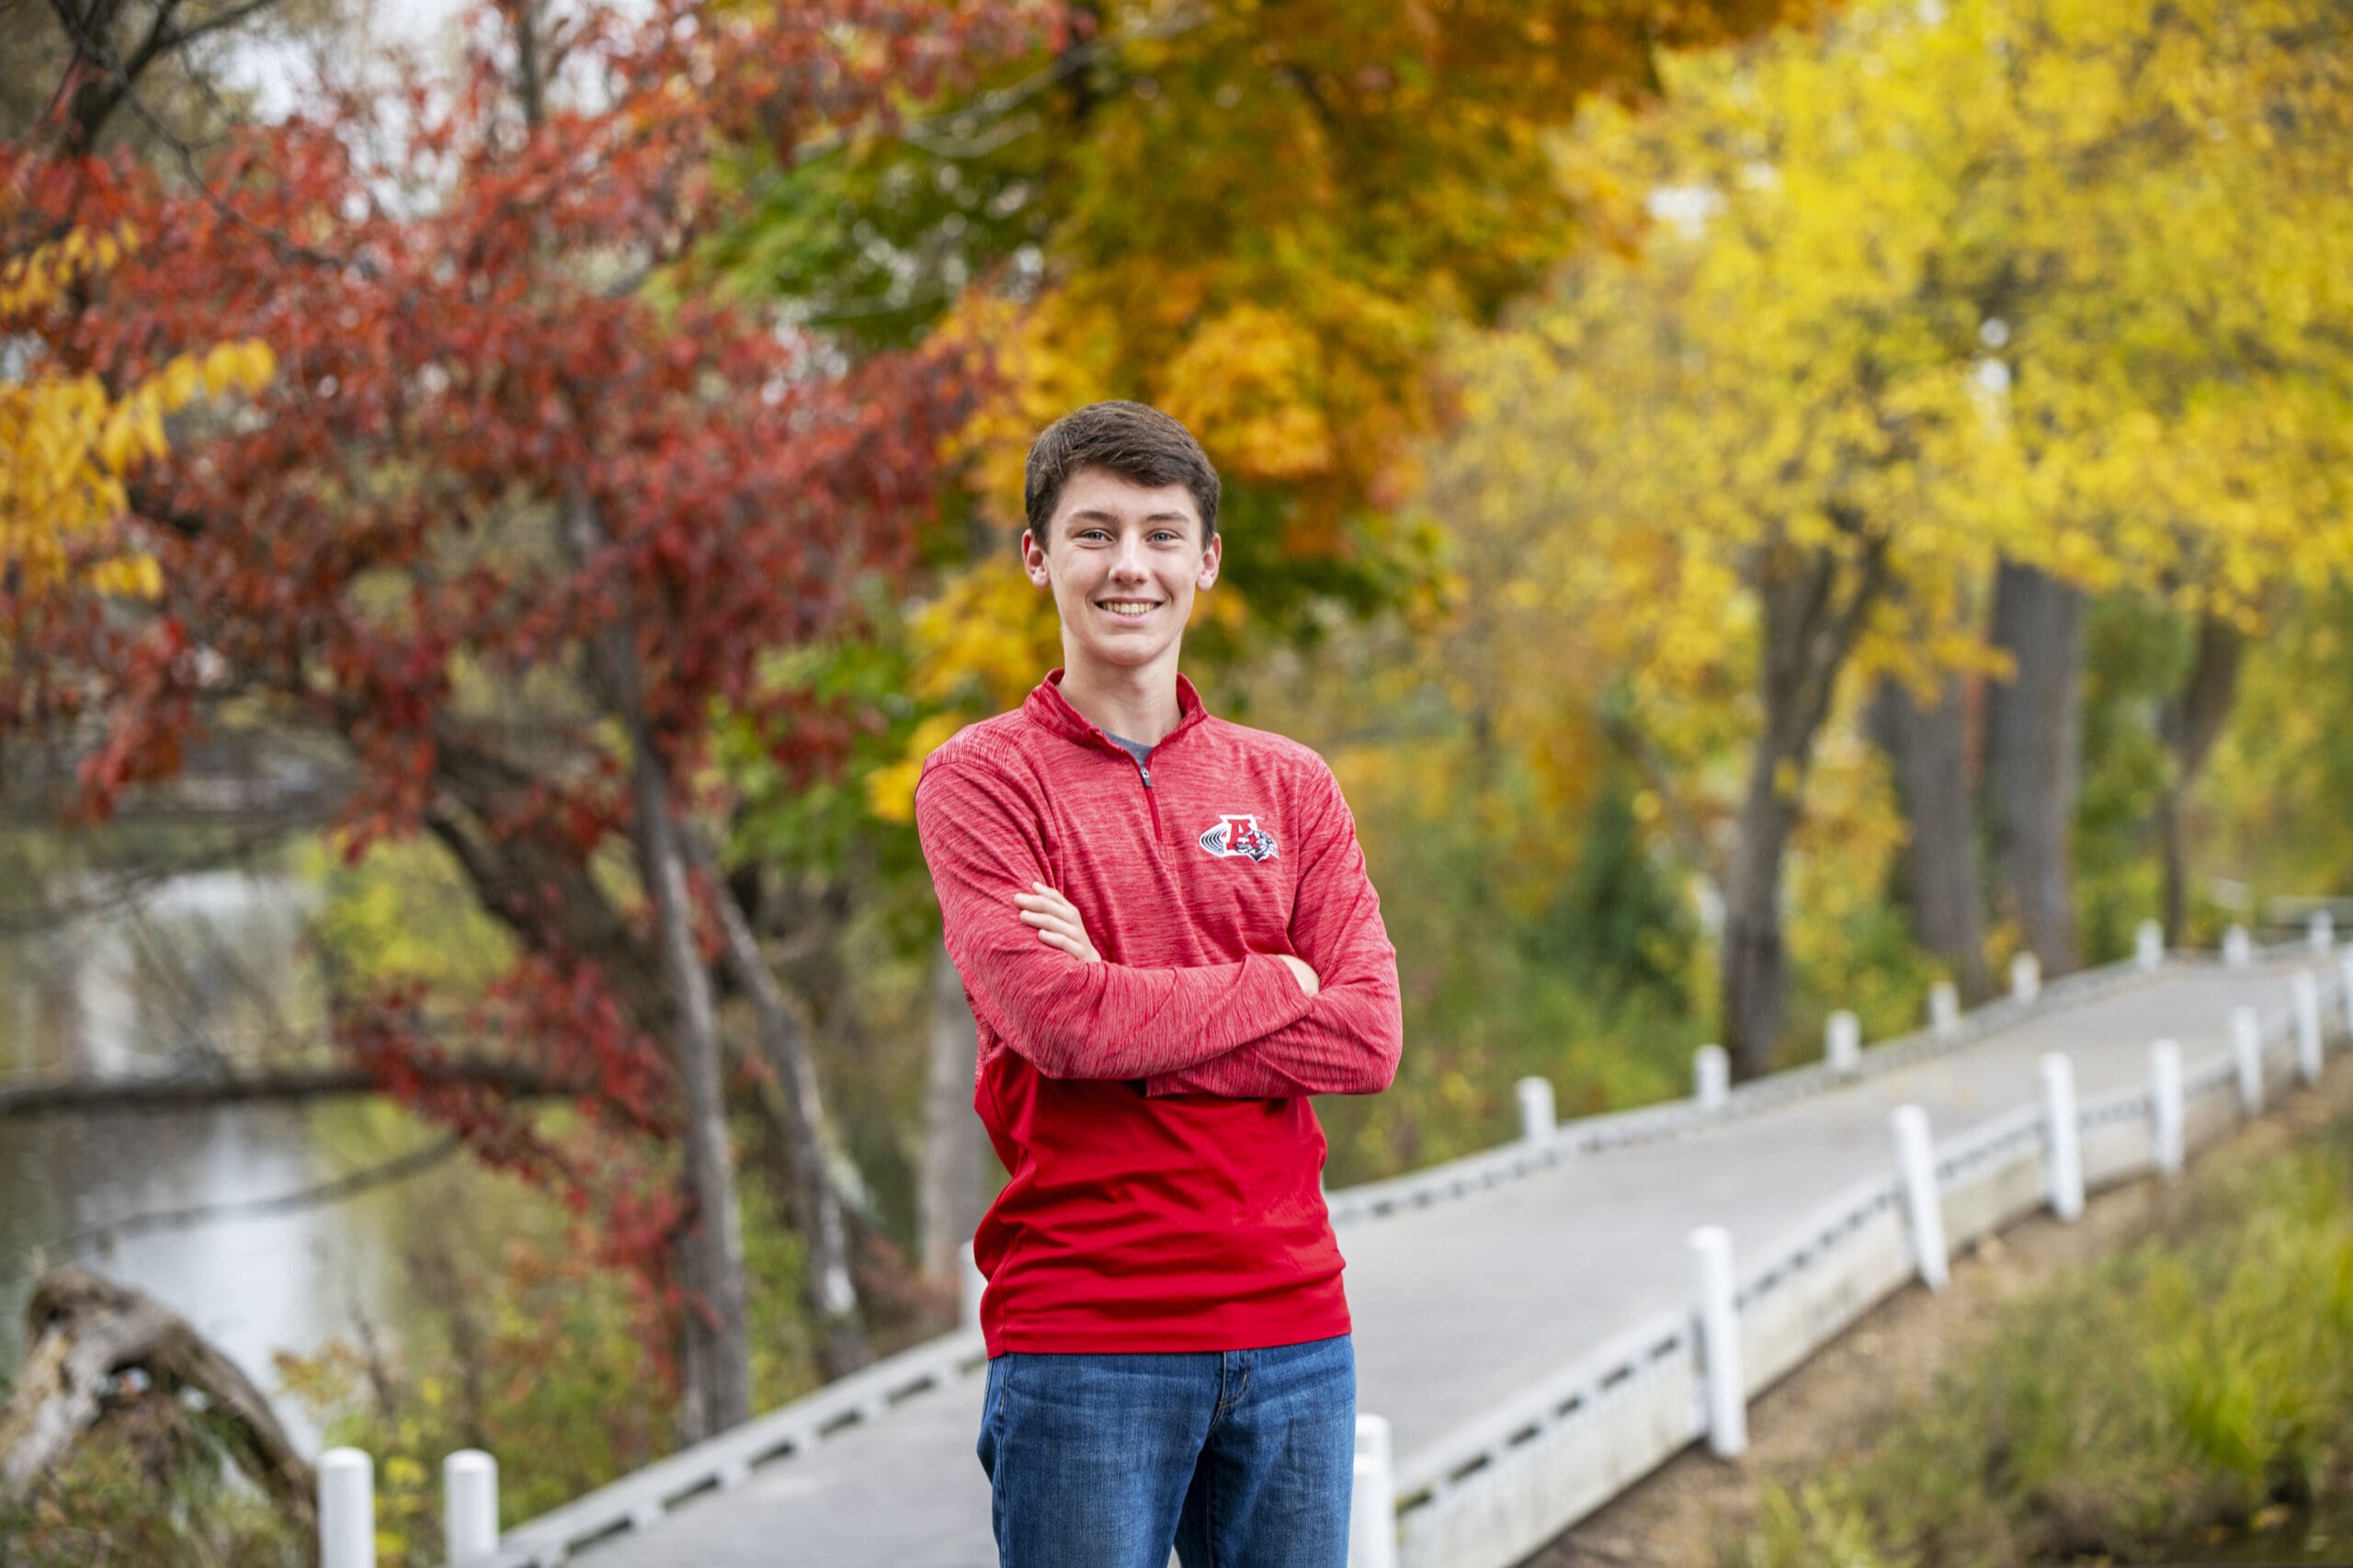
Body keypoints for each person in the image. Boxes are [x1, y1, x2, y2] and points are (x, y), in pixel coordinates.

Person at [914, 399, 1405, 1568]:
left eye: (1160, 533)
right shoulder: (982, 782)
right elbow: (1058, 1023)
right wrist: (1278, 979)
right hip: (1087, 1336)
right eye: (1093, 533)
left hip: (1295, 1328)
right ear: (1038, 558)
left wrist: (1134, 1009)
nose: (1128, 565)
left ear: (1207, 561)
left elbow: (1368, 1038)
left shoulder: (1288, 785)